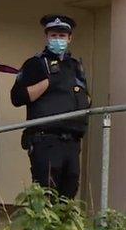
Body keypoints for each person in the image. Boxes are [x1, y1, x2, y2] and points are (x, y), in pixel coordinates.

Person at [10, 15, 91, 199]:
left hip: (71, 141)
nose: (58, 40)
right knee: (46, 194)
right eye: (54, 35)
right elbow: (17, 97)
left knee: (68, 195)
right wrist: (49, 82)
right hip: (45, 139)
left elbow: (85, 97)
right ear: (47, 37)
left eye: (62, 36)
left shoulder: (75, 66)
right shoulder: (36, 64)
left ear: (70, 38)